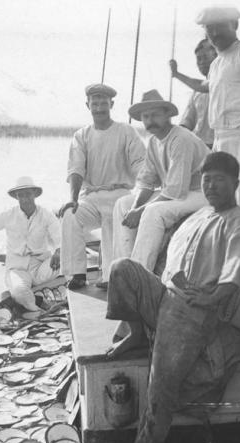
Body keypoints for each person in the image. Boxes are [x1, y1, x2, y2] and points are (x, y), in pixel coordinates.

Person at [106, 151, 240, 443]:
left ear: (235, 183)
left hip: (195, 312)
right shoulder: (198, 215)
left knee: (161, 391)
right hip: (168, 296)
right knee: (121, 270)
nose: (211, 185)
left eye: (219, 179)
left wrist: (214, 296)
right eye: (206, 179)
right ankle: (135, 334)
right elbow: (173, 257)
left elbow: (239, 263)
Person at [170, 6, 240, 229]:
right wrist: (177, 75)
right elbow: (204, 86)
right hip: (222, 140)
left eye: (219, 27)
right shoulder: (217, 63)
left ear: (234, 26)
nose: (214, 34)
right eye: (209, 29)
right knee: (222, 202)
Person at [59, 83, 146, 290]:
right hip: (91, 195)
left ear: (112, 104)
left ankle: (111, 276)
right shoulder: (82, 136)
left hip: (120, 193)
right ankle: (78, 273)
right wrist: (73, 199)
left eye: (103, 103)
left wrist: (144, 193)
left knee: (112, 221)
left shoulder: (127, 131)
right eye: (94, 103)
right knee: (70, 215)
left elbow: (140, 166)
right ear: (87, 105)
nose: (99, 108)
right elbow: (76, 169)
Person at [112, 90, 209, 272]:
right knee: (122, 204)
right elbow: (147, 182)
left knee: (153, 211)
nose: (150, 121)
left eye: (155, 115)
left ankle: (141, 276)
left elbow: (174, 190)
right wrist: (134, 208)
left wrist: (141, 210)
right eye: (146, 116)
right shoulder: (154, 142)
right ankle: (122, 270)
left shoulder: (180, 138)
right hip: (180, 193)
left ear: (167, 115)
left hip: (201, 193)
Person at [0, 176, 60, 319]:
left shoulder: (46, 215)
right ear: (16, 197)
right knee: (19, 291)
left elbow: (59, 236)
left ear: (34, 194)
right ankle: (38, 309)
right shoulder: (8, 215)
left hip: (42, 266)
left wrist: (59, 251)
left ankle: (43, 297)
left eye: (28, 194)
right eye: (21, 195)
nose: (25, 198)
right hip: (17, 269)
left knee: (68, 259)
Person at [176, 39, 217, 148]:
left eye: (205, 57)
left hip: (220, 145)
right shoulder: (196, 93)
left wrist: (176, 74)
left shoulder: (226, 84)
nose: (201, 62)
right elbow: (187, 121)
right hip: (198, 147)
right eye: (199, 59)